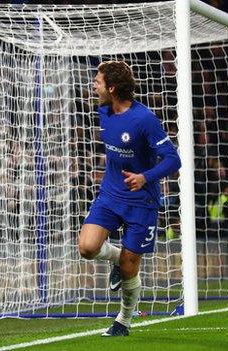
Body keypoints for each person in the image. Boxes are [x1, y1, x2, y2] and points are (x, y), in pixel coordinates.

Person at [78, 61, 181, 336]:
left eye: (98, 81)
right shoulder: (103, 110)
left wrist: (144, 177)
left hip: (141, 201)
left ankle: (123, 321)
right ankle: (115, 258)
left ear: (111, 88)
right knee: (87, 247)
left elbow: (173, 159)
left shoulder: (143, 119)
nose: (93, 85)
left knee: (129, 267)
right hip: (110, 194)